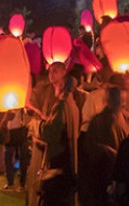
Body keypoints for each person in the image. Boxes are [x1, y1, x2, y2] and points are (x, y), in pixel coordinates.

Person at [81, 86, 129, 205]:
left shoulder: (122, 117)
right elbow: (92, 151)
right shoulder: (100, 121)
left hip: (115, 174)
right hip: (105, 175)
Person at [38, 73, 81, 205]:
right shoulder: (73, 105)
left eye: (56, 85)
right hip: (68, 163)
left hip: (59, 163)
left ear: (62, 86)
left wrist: (41, 124)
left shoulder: (61, 106)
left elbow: (51, 133)